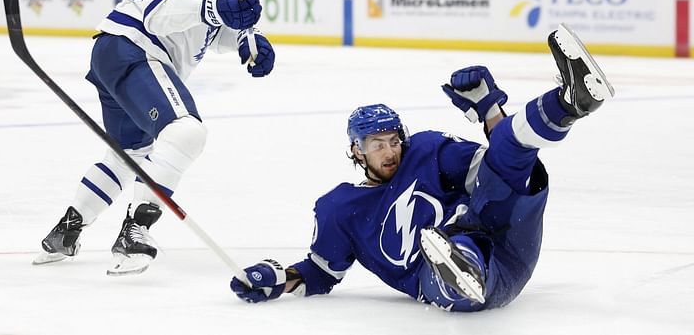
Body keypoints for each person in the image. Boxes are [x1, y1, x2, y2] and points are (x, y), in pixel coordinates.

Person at [229, 23, 614, 311]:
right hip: (458, 281)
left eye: (394, 140)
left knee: (512, 147)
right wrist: (279, 278)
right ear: (356, 151)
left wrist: (489, 111)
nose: (390, 151)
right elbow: (320, 273)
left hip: (507, 237)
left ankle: (572, 101)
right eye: (377, 145)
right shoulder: (339, 208)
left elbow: (497, 167)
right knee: (446, 256)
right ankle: (461, 265)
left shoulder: (426, 149)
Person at [34, 0, 276, 276]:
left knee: (130, 154)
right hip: (136, 49)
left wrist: (243, 44)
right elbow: (158, 14)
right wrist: (215, 7)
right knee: (185, 132)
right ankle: (136, 230)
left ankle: (67, 230)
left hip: (116, 51)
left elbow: (207, 30)